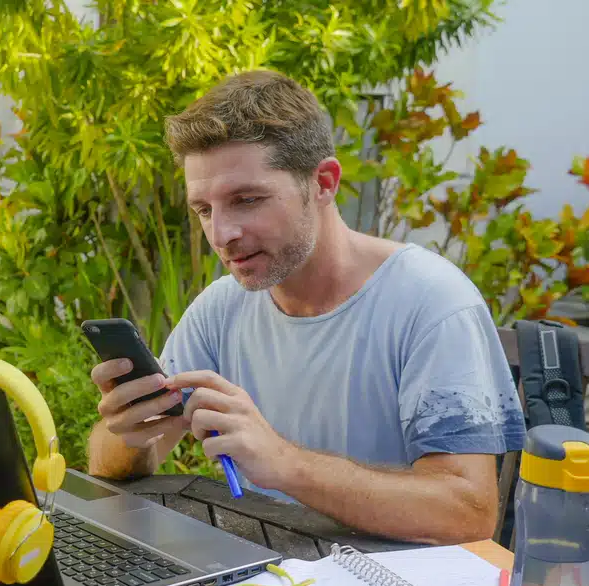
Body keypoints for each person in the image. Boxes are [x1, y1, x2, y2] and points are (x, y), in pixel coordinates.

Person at [85, 69, 526, 545]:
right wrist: (127, 436)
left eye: (247, 199)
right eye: (204, 210)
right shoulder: (222, 308)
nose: (221, 235)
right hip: (271, 582)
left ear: (324, 183)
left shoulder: (432, 303)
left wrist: (285, 465)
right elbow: (119, 460)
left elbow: (468, 514)